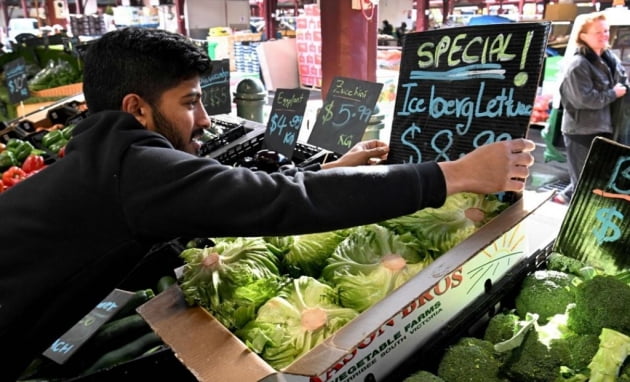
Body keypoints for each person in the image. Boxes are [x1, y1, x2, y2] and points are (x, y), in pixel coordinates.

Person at [0, 27, 535, 380]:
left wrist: (324, 172)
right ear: (136, 108)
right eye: (189, 103)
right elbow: (280, 201)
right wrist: (457, 173)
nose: (205, 120)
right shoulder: (131, 168)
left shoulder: (102, 157)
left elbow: (230, 198)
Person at [554, 11, 628, 204]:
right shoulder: (578, 64)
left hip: (604, 128)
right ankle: (575, 220)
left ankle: (566, 197)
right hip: (581, 131)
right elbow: (584, 100)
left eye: (606, 30)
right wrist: (614, 93)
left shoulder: (610, 59)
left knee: (594, 175)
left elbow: (623, 81)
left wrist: (623, 88)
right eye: (598, 32)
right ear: (583, 36)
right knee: (585, 182)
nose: (604, 35)